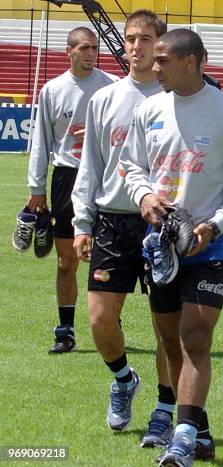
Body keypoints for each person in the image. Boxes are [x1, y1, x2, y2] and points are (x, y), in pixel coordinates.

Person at [122, 29, 223, 465]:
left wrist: (215, 226)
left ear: (193, 61)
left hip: (210, 246)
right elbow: (132, 166)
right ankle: (197, 430)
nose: (153, 66)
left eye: (163, 60)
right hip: (160, 245)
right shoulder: (150, 110)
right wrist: (144, 196)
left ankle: (181, 439)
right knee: (168, 338)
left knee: (195, 336)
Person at [71, 10, 178, 446]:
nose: (136, 45)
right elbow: (90, 167)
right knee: (99, 320)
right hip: (112, 222)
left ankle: (165, 409)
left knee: (165, 329)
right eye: (131, 37)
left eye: (146, 38)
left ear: (160, 44)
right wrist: (82, 223)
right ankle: (123, 379)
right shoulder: (104, 99)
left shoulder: (178, 99)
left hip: (161, 224)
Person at [24, 27, 117, 354]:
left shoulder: (111, 87)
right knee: (66, 262)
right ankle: (66, 330)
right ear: (70, 51)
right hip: (66, 178)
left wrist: (93, 131)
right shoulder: (52, 90)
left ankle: (109, 319)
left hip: (104, 178)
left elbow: (124, 135)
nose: (91, 54)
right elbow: (41, 143)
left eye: (95, 48)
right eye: (85, 48)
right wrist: (36, 188)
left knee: (104, 257)